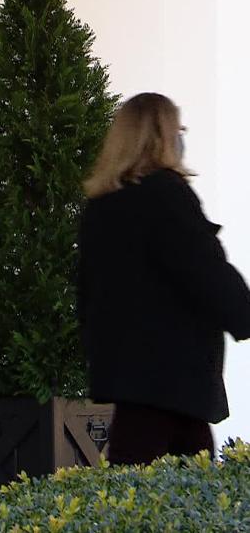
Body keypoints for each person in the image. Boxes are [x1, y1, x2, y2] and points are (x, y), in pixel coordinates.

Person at [79, 92, 250, 465]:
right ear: (161, 136)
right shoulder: (166, 196)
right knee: (186, 496)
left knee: (141, 486)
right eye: (178, 130)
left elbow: (88, 293)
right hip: (173, 381)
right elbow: (205, 271)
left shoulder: (101, 207)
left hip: (130, 379)